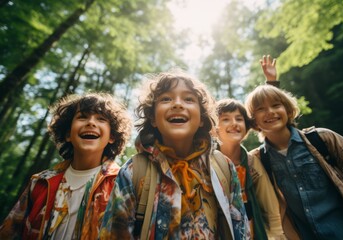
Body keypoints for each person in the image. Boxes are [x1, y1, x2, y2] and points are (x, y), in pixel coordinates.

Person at [99, 69, 250, 239]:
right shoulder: (134, 171)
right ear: (153, 119)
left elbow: (240, 231)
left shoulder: (224, 167)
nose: (177, 104)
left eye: (188, 99)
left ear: (201, 119)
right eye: (166, 99)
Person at [0, 92, 132, 239]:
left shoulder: (123, 185)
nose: (91, 123)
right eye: (82, 117)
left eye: (101, 119)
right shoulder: (40, 182)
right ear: (68, 134)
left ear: (112, 137)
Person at [245, 83, 343, 239]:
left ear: (287, 109)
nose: (270, 112)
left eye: (276, 105)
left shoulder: (322, 139)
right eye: (260, 109)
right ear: (253, 120)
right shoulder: (258, 161)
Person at [214, 55, 285, 240]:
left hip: (252, 231)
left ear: (247, 126)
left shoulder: (253, 163)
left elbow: (271, 210)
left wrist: (271, 83)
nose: (234, 124)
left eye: (239, 119)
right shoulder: (206, 162)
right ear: (214, 129)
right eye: (226, 119)